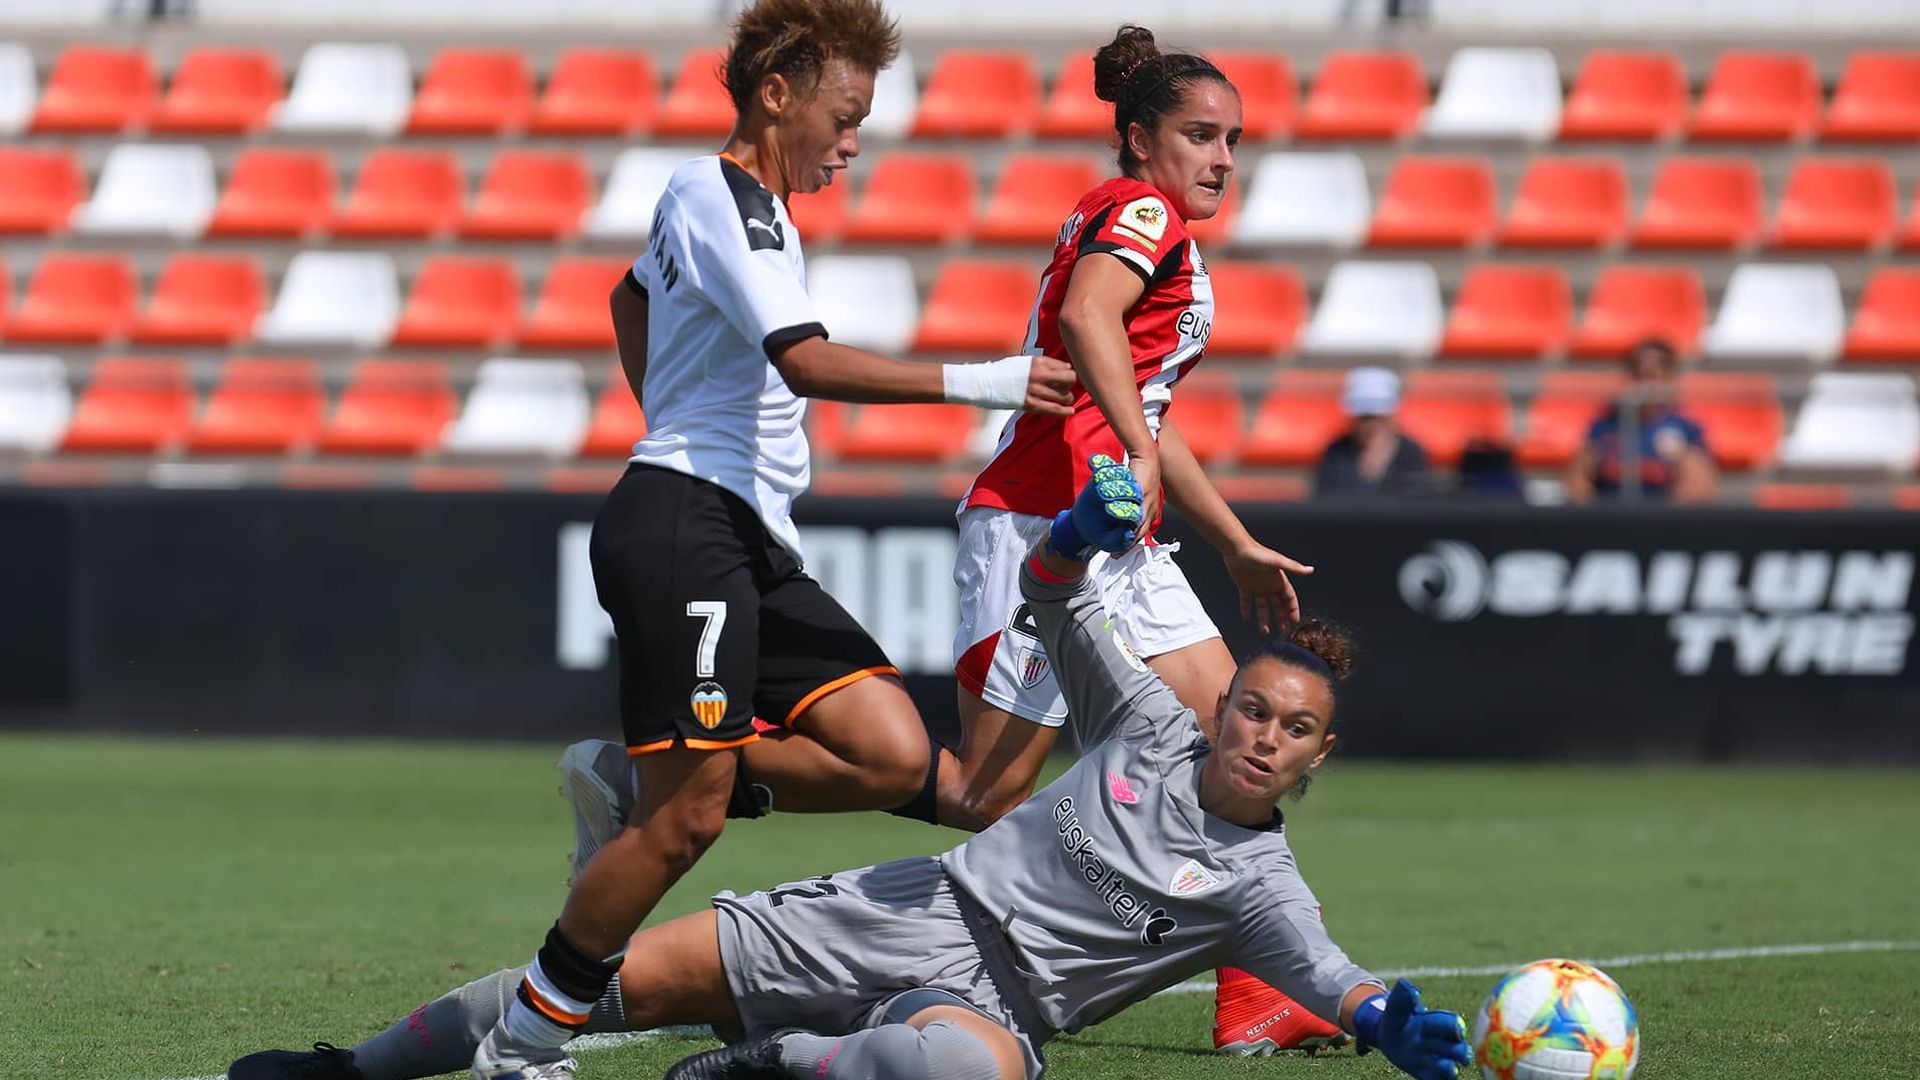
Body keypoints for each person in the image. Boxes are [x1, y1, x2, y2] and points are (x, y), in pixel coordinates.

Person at [229, 458, 1476, 1080]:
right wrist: (1075, 543)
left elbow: (1333, 976)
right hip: (907, 908)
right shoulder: (1149, 725)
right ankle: (351, 1069)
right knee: (599, 987)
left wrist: (1393, 1025)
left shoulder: (1260, 888)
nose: (1261, 732)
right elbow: (1050, 606)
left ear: (1316, 758)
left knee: (958, 1076)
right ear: (1223, 713)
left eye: (1291, 729)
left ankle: (788, 1065)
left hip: (989, 1015)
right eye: (1250, 707)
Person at [457, 3, 1077, 1076]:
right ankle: (522, 1044)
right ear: (776, 93)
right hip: (686, 526)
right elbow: (804, 359)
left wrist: (677, 413)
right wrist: (995, 382)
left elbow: (626, 297)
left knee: (889, 752)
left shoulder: (755, 216)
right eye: (845, 117)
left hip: (739, 532)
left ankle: (625, 776)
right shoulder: (719, 194)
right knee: (682, 826)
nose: (852, 143)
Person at [939, 24, 1326, 1054]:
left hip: (1121, 534)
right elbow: (1087, 320)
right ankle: (739, 774)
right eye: (1201, 135)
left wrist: (1233, 540)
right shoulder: (1141, 211)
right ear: (1142, 139)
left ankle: (1257, 999)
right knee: (984, 792)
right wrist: (1139, 463)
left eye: (1233, 140)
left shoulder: (1151, 224)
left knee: (1238, 745)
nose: (1223, 158)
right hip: (1042, 522)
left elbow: (1142, 407)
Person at [1566, 338, 1716, 505]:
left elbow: (1700, 487)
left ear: (1669, 379)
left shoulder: (1685, 427)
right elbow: (1577, 481)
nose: (1644, 385)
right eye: (1637, 376)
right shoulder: (1606, 424)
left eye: (1652, 376)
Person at [1313, 367, 1433, 499]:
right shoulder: (1336, 452)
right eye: (1365, 417)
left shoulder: (1411, 453)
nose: (1371, 425)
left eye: (1377, 417)